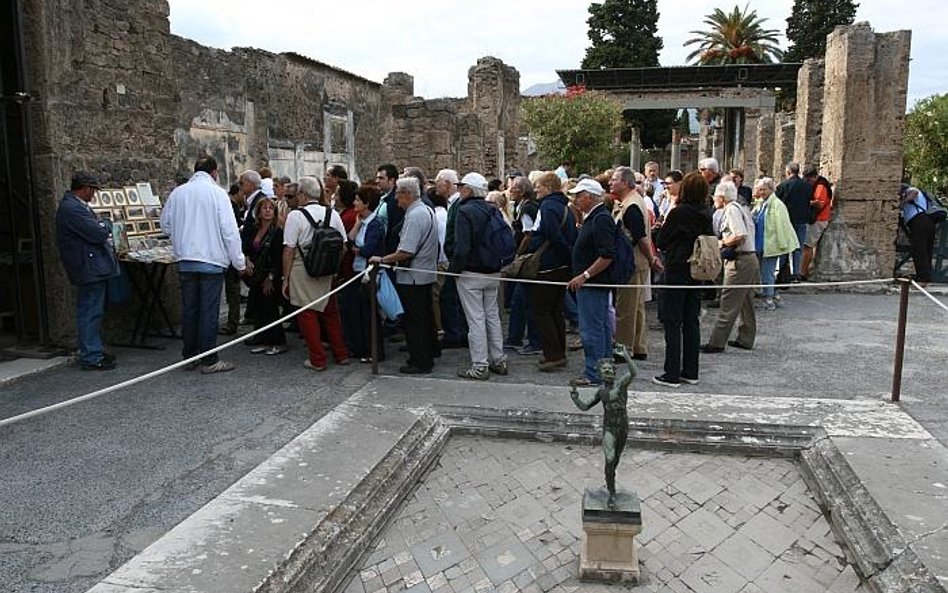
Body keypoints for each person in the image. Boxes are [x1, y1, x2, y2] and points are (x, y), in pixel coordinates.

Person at [162, 156, 249, 373]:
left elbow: (165, 225)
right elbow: (230, 232)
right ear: (214, 172)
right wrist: (239, 262)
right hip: (210, 260)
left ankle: (189, 356)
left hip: (186, 260)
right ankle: (209, 359)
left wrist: (182, 237)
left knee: (190, 310)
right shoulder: (217, 193)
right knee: (209, 312)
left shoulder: (178, 193)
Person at [369, 177, 440, 374]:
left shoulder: (416, 214)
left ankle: (419, 360)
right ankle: (429, 352)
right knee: (424, 317)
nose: (397, 200)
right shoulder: (425, 209)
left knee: (415, 320)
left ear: (407, 194)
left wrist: (382, 259)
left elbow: (406, 250)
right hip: (424, 273)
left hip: (414, 276)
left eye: (398, 195)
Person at [281, 176, 349, 371]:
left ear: (302, 194)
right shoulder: (332, 213)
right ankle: (341, 353)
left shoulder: (296, 216)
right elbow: (343, 246)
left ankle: (317, 359)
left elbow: (289, 249)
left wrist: (285, 278)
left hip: (303, 268)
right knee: (330, 312)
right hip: (327, 268)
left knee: (306, 313)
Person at [652, 172, 713, 387]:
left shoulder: (679, 213)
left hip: (677, 268)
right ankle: (691, 370)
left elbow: (662, 241)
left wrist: (658, 229)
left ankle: (671, 373)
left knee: (672, 321)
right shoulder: (706, 212)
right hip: (696, 271)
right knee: (691, 320)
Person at [55, 171, 120, 370]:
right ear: (85, 189)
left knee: (93, 309)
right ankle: (91, 355)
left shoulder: (75, 207)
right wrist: (106, 224)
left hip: (89, 265)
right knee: (90, 310)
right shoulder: (73, 209)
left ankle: (94, 350)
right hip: (88, 267)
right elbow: (97, 232)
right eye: (92, 191)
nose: (93, 195)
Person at [448, 172, 509, 380]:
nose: (458, 190)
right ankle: (498, 359)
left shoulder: (465, 211)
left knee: (475, 319)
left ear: (468, 189)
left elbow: (462, 247)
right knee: (492, 316)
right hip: (493, 271)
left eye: (461, 187)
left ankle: (480, 365)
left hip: (472, 272)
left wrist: (453, 271)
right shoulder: (493, 209)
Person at [569, 344, 635, 507]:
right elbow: (585, 407)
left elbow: (634, 373)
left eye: (609, 369)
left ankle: (610, 481)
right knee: (610, 459)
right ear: (600, 374)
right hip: (609, 429)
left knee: (616, 460)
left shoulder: (621, 385)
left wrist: (626, 356)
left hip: (622, 427)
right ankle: (611, 493)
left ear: (614, 371)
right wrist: (575, 397)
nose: (607, 372)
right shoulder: (601, 393)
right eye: (604, 370)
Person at [566, 178, 616, 387]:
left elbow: (607, 254)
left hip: (593, 284)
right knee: (600, 327)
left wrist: (585, 275)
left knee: (592, 329)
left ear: (589, 197)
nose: (576, 199)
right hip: (594, 283)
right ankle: (604, 368)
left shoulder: (600, 219)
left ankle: (594, 371)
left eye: (579, 196)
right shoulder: (594, 217)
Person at [610, 166, 662, 361]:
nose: (611, 182)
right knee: (637, 306)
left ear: (625, 182)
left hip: (631, 262)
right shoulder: (633, 201)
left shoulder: (631, 205)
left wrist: (651, 258)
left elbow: (640, 237)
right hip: (637, 262)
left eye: (614, 179)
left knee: (625, 308)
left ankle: (623, 349)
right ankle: (639, 347)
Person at [527, 172, 577, 370]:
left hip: (548, 266)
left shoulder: (547, 206)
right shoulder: (564, 206)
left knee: (542, 311)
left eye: (538, 186)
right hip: (561, 265)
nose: (536, 189)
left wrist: (564, 256)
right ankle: (558, 351)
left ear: (548, 187)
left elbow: (553, 235)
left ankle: (553, 354)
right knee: (555, 310)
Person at [701, 181, 759, 353]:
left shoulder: (732, 210)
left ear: (722, 197)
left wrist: (721, 243)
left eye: (715, 196)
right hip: (748, 258)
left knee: (728, 301)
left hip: (740, 260)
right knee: (745, 301)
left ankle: (717, 342)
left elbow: (739, 235)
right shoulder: (739, 208)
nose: (713, 199)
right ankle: (746, 338)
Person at [241, 198, 286, 354]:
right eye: (264, 208)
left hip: (270, 274)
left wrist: (271, 277)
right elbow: (246, 248)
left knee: (270, 309)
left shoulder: (277, 232)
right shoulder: (254, 229)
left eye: (270, 208)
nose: (267, 211)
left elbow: (279, 257)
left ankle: (278, 341)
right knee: (258, 307)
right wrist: (246, 261)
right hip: (255, 274)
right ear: (258, 212)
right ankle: (263, 338)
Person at [349, 183, 387, 362]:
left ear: (367, 203)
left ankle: (374, 351)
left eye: (358, 200)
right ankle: (361, 347)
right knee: (358, 312)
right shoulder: (362, 221)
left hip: (369, 272)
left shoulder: (375, 223)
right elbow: (349, 240)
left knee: (369, 313)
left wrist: (357, 249)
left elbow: (368, 249)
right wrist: (356, 227)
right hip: (358, 270)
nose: (354, 202)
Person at [506, 175, 542, 354]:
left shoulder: (527, 208)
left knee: (523, 300)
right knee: (520, 300)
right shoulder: (526, 206)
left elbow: (528, 235)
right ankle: (516, 337)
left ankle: (526, 339)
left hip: (527, 259)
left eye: (512, 189)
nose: (510, 192)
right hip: (529, 257)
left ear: (520, 191)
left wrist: (518, 255)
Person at [752, 177, 798, 310]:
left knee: (768, 271)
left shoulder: (778, 205)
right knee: (763, 271)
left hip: (771, 244)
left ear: (771, 190)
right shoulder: (760, 203)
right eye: (759, 189)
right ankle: (773, 294)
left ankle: (769, 298)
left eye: (764, 189)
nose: (761, 192)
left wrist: (783, 245)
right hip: (761, 242)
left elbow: (783, 226)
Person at [438, 169, 469, 349]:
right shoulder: (452, 203)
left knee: (449, 296)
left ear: (448, 184)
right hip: (454, 257)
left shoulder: (458, 205)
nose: (436, 187)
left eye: (439, 182)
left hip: (457, 259)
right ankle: (459, 332)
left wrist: (453, 253)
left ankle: (455, 334)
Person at [775, 162, 811, 281]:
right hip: (801, 219)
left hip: (787, 221)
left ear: (788, 172)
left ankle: (782, 272)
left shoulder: (783, 186)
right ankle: (795, 273)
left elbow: (777, 203)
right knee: (797, 247)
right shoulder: (806, 186)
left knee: (784, 247)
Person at [220, 183, 247, 336]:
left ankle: (232, 322)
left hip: (229, 255)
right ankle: (232, 322)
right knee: (232, 290)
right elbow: (232, 234)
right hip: (230, 255)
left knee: (233, 290)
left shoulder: (232, 205)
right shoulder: (230, 206)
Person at [899, 184, 938, 286]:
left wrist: (901, 203)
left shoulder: (911, 190)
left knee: (919, 249)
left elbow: (914, 192)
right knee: (925, 250)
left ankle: (923, 279)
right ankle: (924, 277)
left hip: (919, 221)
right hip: (926, 222)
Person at [801, 166, 833, 280]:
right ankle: (805, 269)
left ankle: (803, 272)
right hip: (817, 219)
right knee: (808, 246)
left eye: (809, 180)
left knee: (807, 246)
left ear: (815, 177)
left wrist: (805, 201)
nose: (809, 183)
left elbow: (819, 203)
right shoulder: (819, 184)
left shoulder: (820, 186)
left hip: (818, 219)